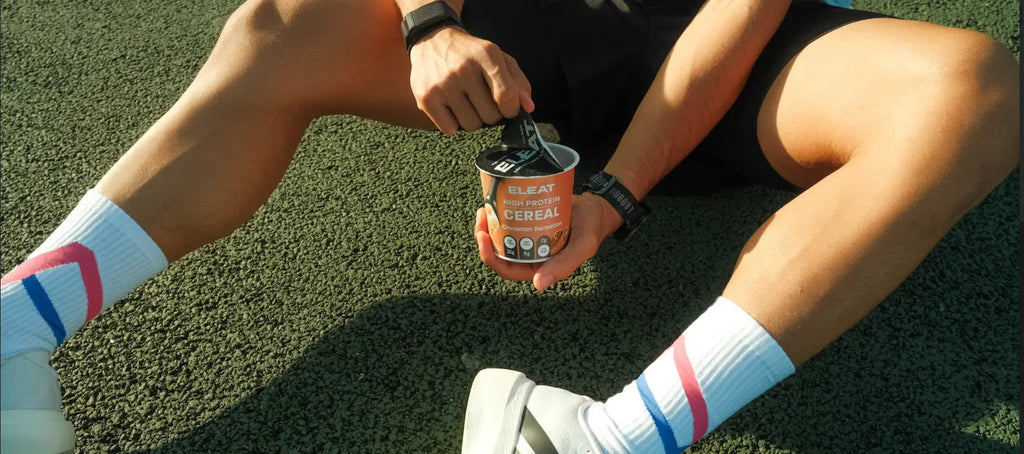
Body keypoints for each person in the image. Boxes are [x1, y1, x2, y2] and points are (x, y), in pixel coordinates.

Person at [0, 0, 1016, 453]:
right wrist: (430, 23)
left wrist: (612, 192)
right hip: (544, 28)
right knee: (285, 22)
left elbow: (738, 13)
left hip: (758, 56)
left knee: (970, 94)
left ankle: (594, 439)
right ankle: (18, 324)